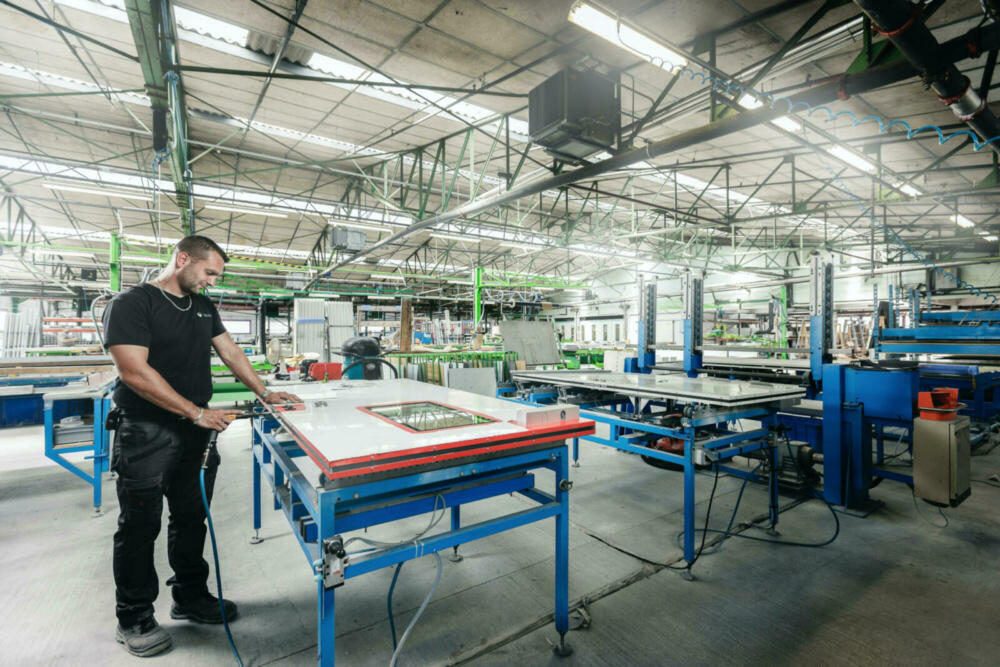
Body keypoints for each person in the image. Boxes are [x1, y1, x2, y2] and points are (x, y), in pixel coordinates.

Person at [102, 235, 300, 657]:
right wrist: (195, 412)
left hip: (194, 434)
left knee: (192, 518)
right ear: (182, 258)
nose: (212, 281)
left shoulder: (203, 307)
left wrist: (264, 392)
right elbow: (133, 371)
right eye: (209, 272)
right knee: (140, 526)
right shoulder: (132, 304)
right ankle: (133, 616)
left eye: (217, 275)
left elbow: (230, 352)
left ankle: (189, 596)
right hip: (146, 431)